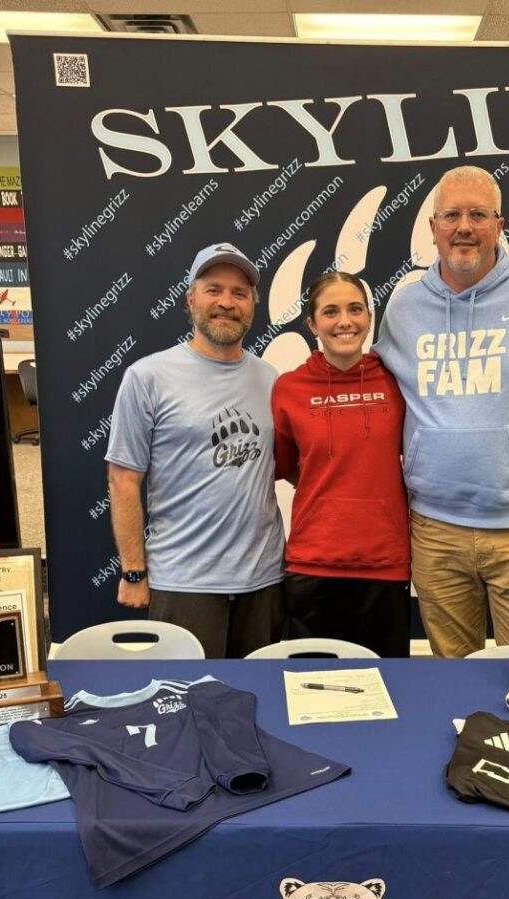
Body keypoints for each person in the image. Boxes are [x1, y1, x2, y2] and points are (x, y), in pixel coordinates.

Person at [374, 165, 509, 658]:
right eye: (451, 215)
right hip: (434, 530)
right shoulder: (404, 308)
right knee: (450, 671)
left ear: (499, 225)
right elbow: (378, 392)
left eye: (478, 215)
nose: (464, 227)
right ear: (433, 227)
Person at [105, 242, 285, 658]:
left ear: (252, 305)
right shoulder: (147, 377)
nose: (227, 302)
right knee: (189, 694)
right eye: (213, 290)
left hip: (264, 580)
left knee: (258, 693)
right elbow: (123, 479)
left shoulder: (271, 378)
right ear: (190, 300)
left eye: (239, 293)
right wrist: (133, 572)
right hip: (184, 582)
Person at [271, 271, 411, 656]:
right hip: (314, 564)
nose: (345, 321)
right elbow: (286, 466)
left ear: (369, 317)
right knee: (314, 683)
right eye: (330, 312)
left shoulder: (398, 382)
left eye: (355, 309)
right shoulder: (289, 389)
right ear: (312, 324)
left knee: (386, 683)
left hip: (385, 563)